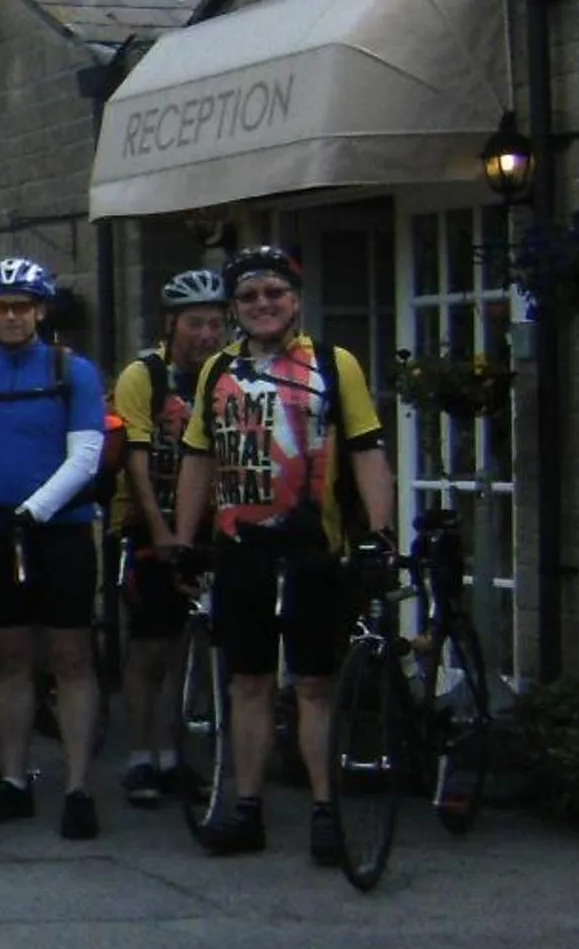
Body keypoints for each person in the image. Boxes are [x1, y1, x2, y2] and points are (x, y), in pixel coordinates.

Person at [173, 245, 395, 863]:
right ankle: (248, 808)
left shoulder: (332, 363)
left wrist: (379, 533)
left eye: (274, 293)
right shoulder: (216, 368)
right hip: (240, 546)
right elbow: (198, 458)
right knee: (248, 681)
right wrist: (186, 541)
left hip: (312, 546)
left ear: (295, 300)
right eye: (248, 296)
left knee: (314, 684)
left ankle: (325, 810)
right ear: (235, 308)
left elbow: (367, 449)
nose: (263, 305)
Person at [0, 257, 108, 837]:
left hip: (60, 532)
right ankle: (12, 780)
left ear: (40, 311)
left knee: (71, 658)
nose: (10, 317)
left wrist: (36, 510)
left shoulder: (70, 371)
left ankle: (79, 788)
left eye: (22, 307)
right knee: (10, 660)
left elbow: (85, 455)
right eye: (0, 307)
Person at [112, 268, 230, 807]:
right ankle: (141, 755)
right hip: (148, 519)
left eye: (216, 324)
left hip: (209, 522)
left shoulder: (228, 373)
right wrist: (160, 534)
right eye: (196, 323)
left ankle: (174, 752)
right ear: (171, 324)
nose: (207, 335)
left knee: (189, 644)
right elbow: (135, 460)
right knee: (150, 645)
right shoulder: (146, 375)